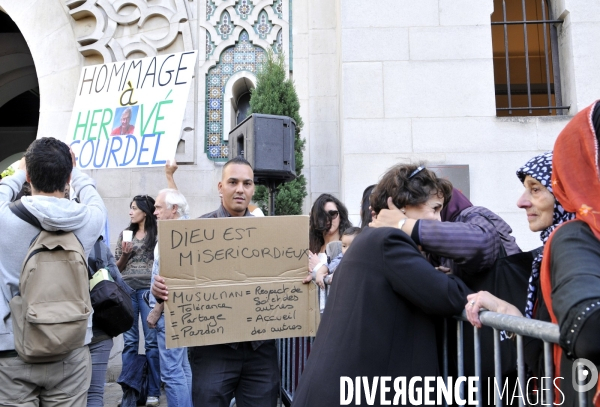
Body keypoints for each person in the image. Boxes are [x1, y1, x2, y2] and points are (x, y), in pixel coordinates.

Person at [292, 163, 471, 406]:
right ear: (402, 206)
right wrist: (455, 279)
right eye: (434, 209)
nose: (439, 219)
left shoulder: (370, 239)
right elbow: (448, 296)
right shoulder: (390, 240)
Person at [152, 156, 280, 407]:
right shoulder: (195, 233)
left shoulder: (272, 234)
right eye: (233, 182)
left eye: (247, 183)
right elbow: (177, 283)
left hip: (260, 350)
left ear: (253, 188)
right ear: (220, 187)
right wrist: (160, 290)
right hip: (213, 348)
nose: (240, 189)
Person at [465, 149, 586, 404]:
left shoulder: (575, 252)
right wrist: (504, 309)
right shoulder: (555, 252)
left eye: (536, 189)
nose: (521, 202)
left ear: (567, 193)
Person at [0, 137, 106, 406]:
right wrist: (76, 170)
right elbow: (91, 192)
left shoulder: (4, 218)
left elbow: (4, 187)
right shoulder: (91, 218)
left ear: (29, 177)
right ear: (68, 177)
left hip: (12, 349)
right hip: (70, 347)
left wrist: (19, 170)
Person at [146, 161, 193, 407]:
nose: (154, 211)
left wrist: (157, 309)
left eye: (158, 207)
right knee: (182, 369)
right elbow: (179, 203)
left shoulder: (174, 239)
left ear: (172, 210)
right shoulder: (181, 230)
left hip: (170, 314)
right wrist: (169, 175)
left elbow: (172, 281)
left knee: (172, 373)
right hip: (180, 313)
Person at [115, 194, 161, 406]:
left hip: (148, 292)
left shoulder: (158, 234)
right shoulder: (125, 234)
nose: (131, 212)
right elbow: (116, 268)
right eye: (130, 208)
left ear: (145, 211)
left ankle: (153, 391)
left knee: (152, 342)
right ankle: (129, 392)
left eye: (134, 208)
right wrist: (125, 255)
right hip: (127, 290)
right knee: (130, 343)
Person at [86, 236, 134, 407]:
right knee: (95, 393)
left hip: (69, 330)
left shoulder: (53, 242)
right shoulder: (99, 247)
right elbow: (118, 281)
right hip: (100, 328)